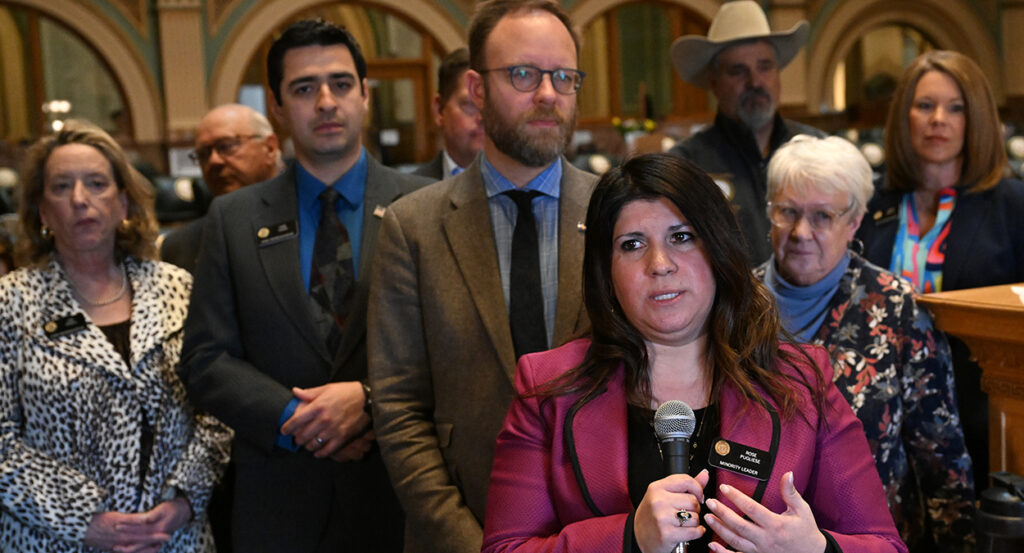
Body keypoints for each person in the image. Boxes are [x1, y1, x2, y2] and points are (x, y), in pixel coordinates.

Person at [480, 153, 907, 553]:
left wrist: (815, 550)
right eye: (632, 244)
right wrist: (628, 538)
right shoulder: (547, 387)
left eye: (682, 237)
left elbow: (885, 545)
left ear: (718, 250)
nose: (660, 263)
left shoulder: (801, 380)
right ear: (605, 271)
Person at [178, 19, 430, 553]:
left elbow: (455, 348)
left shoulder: (428, 205)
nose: (325, 101)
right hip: (278, 506)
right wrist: (299, 419)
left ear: (365, 94)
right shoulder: (234, 218)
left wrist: (367, 399)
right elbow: (205, 358)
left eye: (340, 84)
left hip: (402, 499)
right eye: (303, 88)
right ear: (276, 106)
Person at [368, 1, 597, 551]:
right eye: (523, 74)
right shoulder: (412, 226)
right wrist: (466, 541)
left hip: (599, 525)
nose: (547, 93)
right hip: (459, 521)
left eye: (563, 77)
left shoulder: (621, 212)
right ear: (475, 88)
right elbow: (398, 407)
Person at [0, 120, 230, 552]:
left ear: (123, 202)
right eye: (62, 186)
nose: (81, 200)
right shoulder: (10, 303)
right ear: (42, 211)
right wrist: (86, 521)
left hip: (173, 537)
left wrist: (183, 501)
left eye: (97, 184)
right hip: (56, 541)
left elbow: (218, 410)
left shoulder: (176, 288)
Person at [754, 135, 974, 552]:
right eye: (788, 212)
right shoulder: (735, 304)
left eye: (822, 216)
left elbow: (942, 459)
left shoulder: (896, 308)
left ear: (854, 221)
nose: (801, 232)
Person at [856, 50, 1024, 493]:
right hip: (877, 422)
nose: (938, 120)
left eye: (955, 108)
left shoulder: (1011, 204)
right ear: (904, 116)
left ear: (977, 119)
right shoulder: (872, 201)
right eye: (925, 106)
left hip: (981, 413)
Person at [668, 0, 823, 265]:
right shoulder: (685, 166)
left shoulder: (821, 150)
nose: (755, 82)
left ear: (778, 74)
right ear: (714, 84)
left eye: (765, 67)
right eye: (738, 71)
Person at [162, 104, 284, 273]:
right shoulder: (180, 246)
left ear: (270, 147)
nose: (214, 161)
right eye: (203, 154)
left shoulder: (311, 219)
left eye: (226, 146)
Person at [414, 47, 485, 179]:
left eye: (492, 106)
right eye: (470, 105)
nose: (483, 118)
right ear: (439, 110)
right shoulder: (410, 193)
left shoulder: (528, 187)